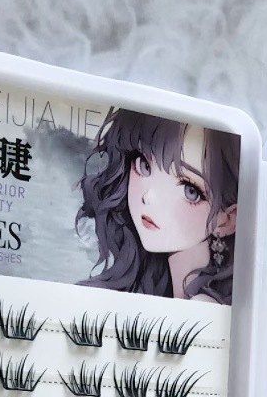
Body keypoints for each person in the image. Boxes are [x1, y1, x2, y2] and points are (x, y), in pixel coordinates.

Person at [76, 108, 239, 304]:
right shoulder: (160, 287)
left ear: (227, 220)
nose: (149, 196)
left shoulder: (202, 304)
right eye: (144, 165)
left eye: (190, 190)